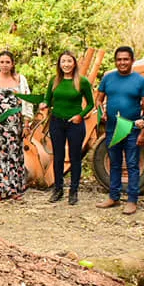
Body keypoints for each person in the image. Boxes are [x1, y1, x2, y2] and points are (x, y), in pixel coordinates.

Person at [96, 46, 144, 215]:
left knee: (133, 164)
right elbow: (98, 100)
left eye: (126, 59)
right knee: (115, 163)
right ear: (115, 61)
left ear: (132, 61)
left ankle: (132, 200)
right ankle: (113, 197)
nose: (122, 62)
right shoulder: (108, 79)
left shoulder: (140, 81)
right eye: (119, 59)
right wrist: (101, 113)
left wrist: (143, 132)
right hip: (113, 129)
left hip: (132, 129)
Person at [41, 51, 94, 205]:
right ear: (59, 64)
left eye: (69, 61)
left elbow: (90, 103)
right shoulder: (54, 80)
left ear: (74, 63)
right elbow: (48, 99)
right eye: (63, 61)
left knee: (74, 157)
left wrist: (81, 115)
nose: (66, 64)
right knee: (58, 156)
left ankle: (73, 191)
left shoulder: (81, 81)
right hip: (57, 121)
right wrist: (44, 104)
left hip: (75, 123)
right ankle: (58, 189)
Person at [0, 50, 32, 201]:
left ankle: (14, 190)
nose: (4, 65)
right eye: (2, 62)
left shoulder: (20, 80)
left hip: (14, 126)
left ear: (12, 64)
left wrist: (27, 123)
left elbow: (27, 101)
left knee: (14, 157)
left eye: (7, 62)